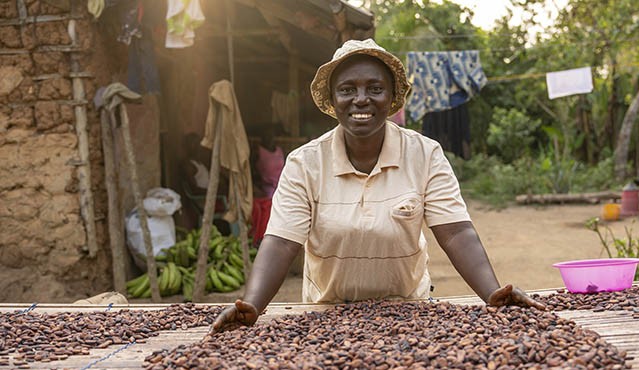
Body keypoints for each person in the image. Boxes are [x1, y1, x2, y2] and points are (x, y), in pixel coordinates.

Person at [211, 39, 544, 333]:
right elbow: (282, 243)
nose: (360, 99)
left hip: (410, 312)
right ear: (333, 98)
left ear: (391, 97)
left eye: (374, 88)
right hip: (324, 315)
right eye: (347, 90)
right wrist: (252, 305)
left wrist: (492, 294)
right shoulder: (305, 163)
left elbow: (455, 232)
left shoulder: (424, 154)